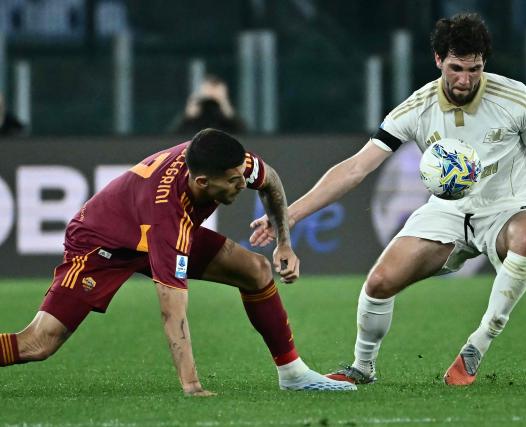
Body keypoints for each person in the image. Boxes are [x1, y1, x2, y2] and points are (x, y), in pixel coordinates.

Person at [249, 13, 526, 386]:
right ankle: (362, 367)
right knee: (379, 282)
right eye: (456, 68)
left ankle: (479, 343)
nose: (465, 80)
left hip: (510, 206)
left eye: (474, 69)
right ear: (438, 60)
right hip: (448, 212)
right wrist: (289, 215)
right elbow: (355, 168)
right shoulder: (416, 109)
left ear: (484, 63)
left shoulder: (517, 100)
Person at [0, 128, 356, 394]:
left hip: (144, 226)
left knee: (256, 270)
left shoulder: (230, 165)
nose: (240, 187)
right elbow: (173, 312)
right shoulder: (168, 218)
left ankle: (293, 374)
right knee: (38, 344)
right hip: (101, 244)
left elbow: (271, 180)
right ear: (202, 181)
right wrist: (192, 386)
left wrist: (284, 244)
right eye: (233, 183)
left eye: (241, 178)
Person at [169, 75, 245, 135]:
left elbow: (244, 135)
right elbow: (173, 138)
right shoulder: (194, 115)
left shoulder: (226, 117)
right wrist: (188, 115)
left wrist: (225, 106)